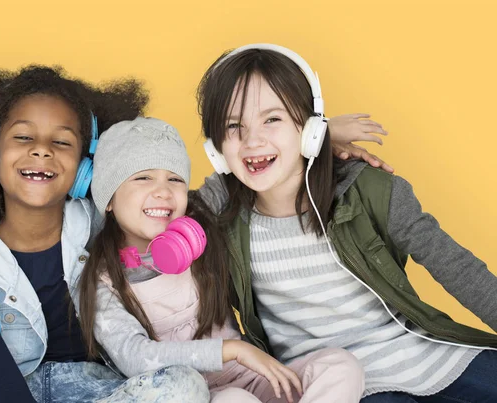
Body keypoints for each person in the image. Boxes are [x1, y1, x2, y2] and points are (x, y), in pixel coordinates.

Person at [195, 43, 497, 401]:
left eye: (272, 119)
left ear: (307, 127)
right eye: (233, 126)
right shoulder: (222, 218)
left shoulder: (367, 190)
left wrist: (318, 136)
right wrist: (318, 135)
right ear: (215, 150)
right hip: (333, 384)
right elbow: (159, 210)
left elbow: (457, 267)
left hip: (424, 353)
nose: (252, 140)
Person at [0, 66, 209, 403]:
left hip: (102, 390)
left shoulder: (105, 225)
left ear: (85, 167)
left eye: (61, 142)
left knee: (184, 384)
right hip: (5, 392)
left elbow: (172, 213)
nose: (42, 150)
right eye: (23, 137)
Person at [78, 116, 366, 403]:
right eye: (143, 177)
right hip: (203, 395)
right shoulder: (102, 280)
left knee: (340, 365)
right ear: (109, 199)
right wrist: (231, 350)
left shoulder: (200, 223)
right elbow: (135, 357)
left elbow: (243, 173)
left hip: (251, 376)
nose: (163, 191)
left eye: (175, 179)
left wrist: (315, 140)